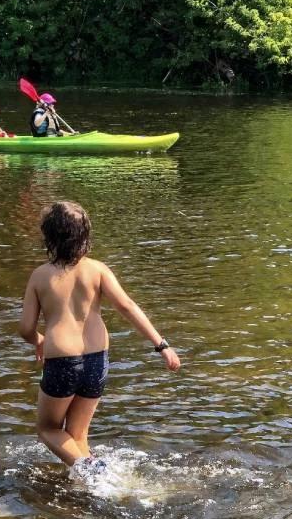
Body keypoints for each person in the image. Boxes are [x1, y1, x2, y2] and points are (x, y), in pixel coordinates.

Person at [18, 201, 181, 475]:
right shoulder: (98, 269)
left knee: (47, 430)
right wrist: (161, 345)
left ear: (49, 236)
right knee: (78, 435)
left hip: (62, 360)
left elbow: (25, 328)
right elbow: (127, 306)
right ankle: (97, 481)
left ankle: (91, 469)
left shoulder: (40, 276)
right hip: (97, 360)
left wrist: (38, 340)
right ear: (84, 236)